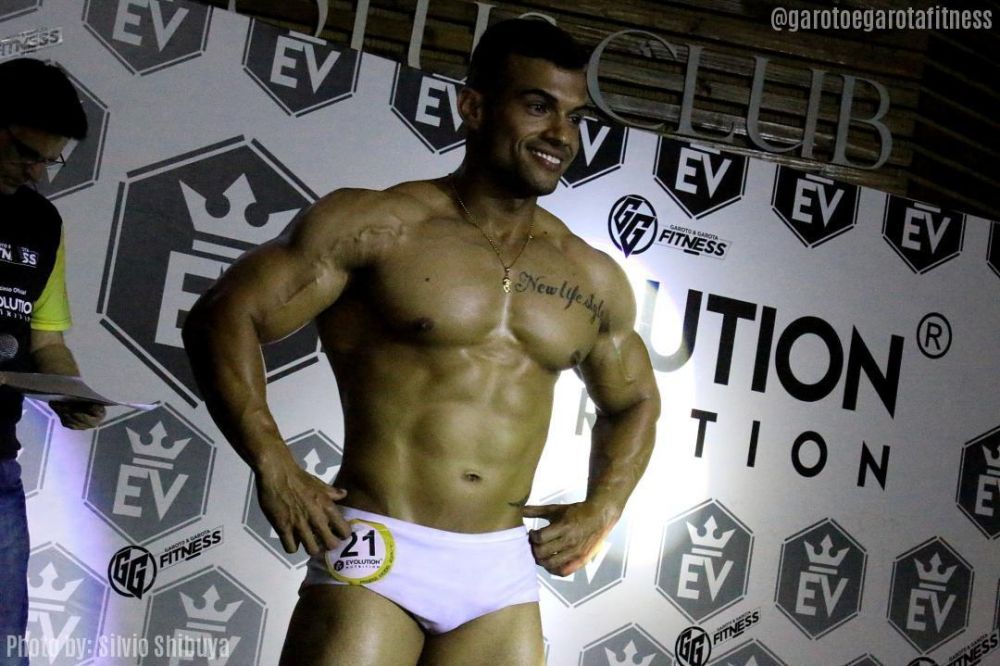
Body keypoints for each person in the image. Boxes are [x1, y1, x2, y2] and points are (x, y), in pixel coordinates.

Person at [183, 18, 659, 666]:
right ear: (473, 107)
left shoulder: (589, 274)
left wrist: (604, 507)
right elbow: (223, 316)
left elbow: (634, 402)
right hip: (379, 549)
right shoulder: (380, 226)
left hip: (499, 572)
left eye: (574, 116)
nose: (561, 134)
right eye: (537, 106)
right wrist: (274, 464)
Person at [0, 58, 106, 665]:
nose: (37, 171)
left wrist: (71, 390)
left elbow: (46, 341)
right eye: (25, 152)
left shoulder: (43, 222)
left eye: (50, 160)